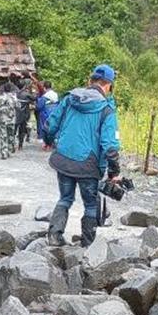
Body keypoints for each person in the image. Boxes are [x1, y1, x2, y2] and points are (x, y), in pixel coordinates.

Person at [43, 63, 121, 248]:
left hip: (63, 159)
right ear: (108, 85)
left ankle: (54, 237)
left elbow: (51, 125)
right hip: (88, 165)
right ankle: (88, 246)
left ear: (90, 81)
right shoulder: (106, 110)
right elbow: (110, 145)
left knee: (65, 198)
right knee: (91, 205)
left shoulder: (70, 99)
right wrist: (114, 172)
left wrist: (49, 140)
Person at [0, 82, 18, 159]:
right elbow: (18, 106)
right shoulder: (14, 97)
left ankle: (4, 152)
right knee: (11, 134)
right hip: (11, 119)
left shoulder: (0, 97)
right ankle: (11, 148)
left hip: (2, 119)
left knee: (3, 135)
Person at [35, 80, 58, 145]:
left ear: (44, 88)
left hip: (45, 113)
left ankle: (46, 142)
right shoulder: (56, 95)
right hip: (54, 112)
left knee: (45, 127)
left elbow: (39, 106)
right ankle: (54, 140)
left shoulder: (44, 96)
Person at [15, 82, 34, 149]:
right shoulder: (26, 94)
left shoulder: (15, 94)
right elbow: (34, 98)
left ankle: (12, 143)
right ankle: (20, 145)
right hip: (24, 114)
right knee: (22, 130)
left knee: (14, 129)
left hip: (15, 114)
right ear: (24, 87)